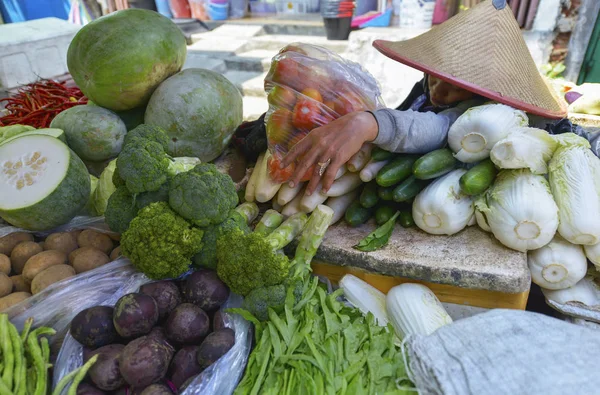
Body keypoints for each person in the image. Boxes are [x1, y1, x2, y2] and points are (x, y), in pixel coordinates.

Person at [280, 0, 568, 196]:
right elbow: (408, 114)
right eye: (434, 77)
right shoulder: (426, 88)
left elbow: (439, 128)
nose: (438, 92)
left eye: (455, 88)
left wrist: (368, 123)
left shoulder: (487, 114)